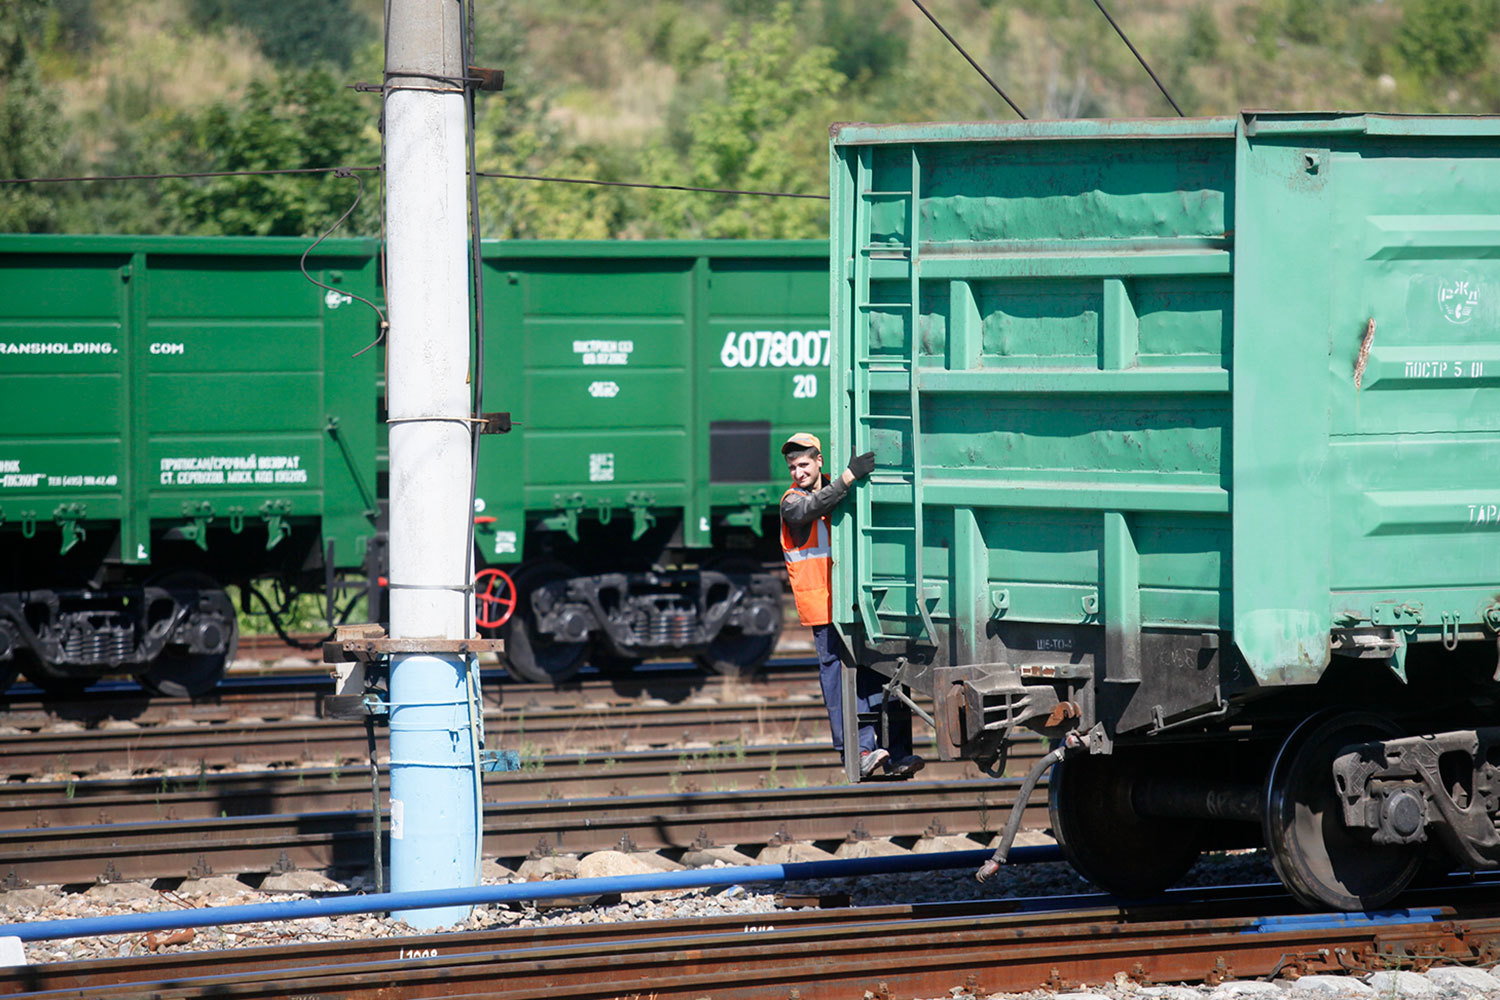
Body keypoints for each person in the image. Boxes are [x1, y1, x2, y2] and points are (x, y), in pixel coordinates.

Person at [779, 432, 924, 780]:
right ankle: (856, 753)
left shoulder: (841, 490)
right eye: (792, 467)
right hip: (824, 609)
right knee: (840, 683)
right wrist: (849, 476)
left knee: (885, 673)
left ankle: (897, 754)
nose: (798, 473)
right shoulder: (791, 501)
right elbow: (810, 509)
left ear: (818, 461)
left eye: (803, 465)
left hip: (859, 603)